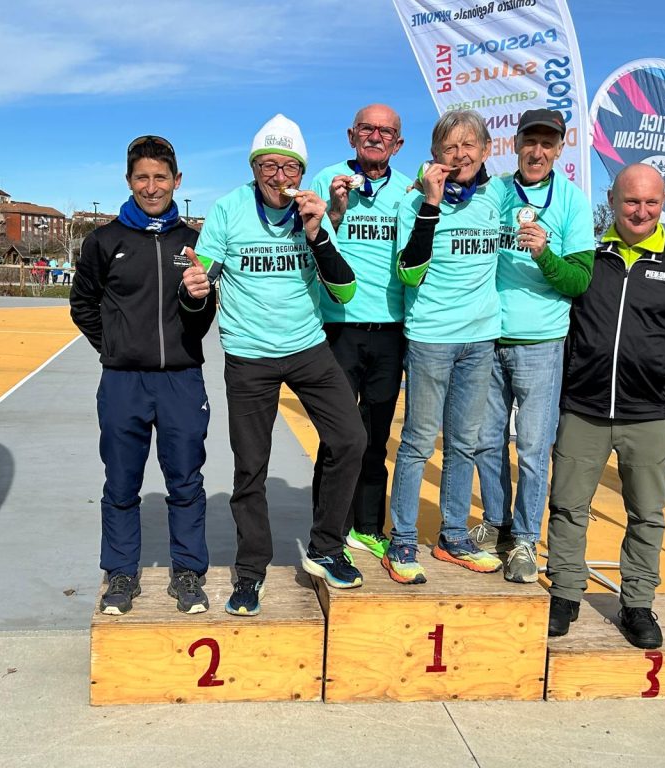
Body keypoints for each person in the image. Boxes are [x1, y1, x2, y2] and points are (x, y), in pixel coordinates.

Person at [182, 114, 367, 616]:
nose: (279, 175)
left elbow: (345, 291)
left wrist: (318, 234)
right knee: (251, 468)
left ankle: (326, 548)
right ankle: (251, 571)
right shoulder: (229, 209)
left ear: (301, 171)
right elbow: (203, 278)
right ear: (254, 168)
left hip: (308, 348)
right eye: (268, 165)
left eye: (289, 166)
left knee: (350, 439)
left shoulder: (312, 210)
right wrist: (194, 289)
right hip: (249, 354)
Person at [545, 163, 665, 649]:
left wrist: (664, 363)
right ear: (612, 200)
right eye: (631, 201)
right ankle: (564, 594)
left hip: (648, 412)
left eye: (651, 202)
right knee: (567, 506)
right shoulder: (588, 258)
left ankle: (638, 604)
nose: (641, 211)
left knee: (646, 513)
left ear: (663, 203)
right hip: (583, 407)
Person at [71, 134, 216, 616]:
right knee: (120, 483)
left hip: (181, 380)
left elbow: (203, 317)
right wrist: (115, 348)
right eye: (142, 178)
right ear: (128, 180)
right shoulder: (103, 241)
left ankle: (188, 572)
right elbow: (82, 305)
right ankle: (120, 573)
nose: (151, 187)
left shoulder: (194, 244)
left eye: (160, 177)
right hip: (123, 383)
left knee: (186, 481)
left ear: (177, 181)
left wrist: (197, 300)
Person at [470, 109, 595, 583]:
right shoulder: (496, 191)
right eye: (530, 141)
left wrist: (544, 253)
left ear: (560, 149)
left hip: (541, 342)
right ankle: (497, 524)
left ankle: (524, 538)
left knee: (533, 448)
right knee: (486, 441)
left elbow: (579, 281)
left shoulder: (572, 201)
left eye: (547, 143)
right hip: (487, 335)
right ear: (515, 143)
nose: (537, 152)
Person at [382, 110, 503, 585]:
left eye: (469, 145)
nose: (460, 154)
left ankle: (453, 536)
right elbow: (409, 273)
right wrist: (431, 202)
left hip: (480, 337)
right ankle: (402, 539)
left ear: (486, 150)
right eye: (449, 147)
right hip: (431, 337)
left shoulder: (496, 198)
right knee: (416, 442)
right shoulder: (413, 203)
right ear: (435, 155)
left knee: (464, 444)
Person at [309, 104, 411, 560]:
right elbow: (307, 242)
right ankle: (328, 533)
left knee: (375, 435)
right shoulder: (326, 179)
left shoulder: (407, 189)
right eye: (367, 128)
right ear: (351, 135)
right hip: (338, 327)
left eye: (385, 132)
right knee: (336, 437)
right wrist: (335, 211)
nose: (375, 136)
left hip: (390, 329)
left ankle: (368, 526)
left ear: (398, 144)